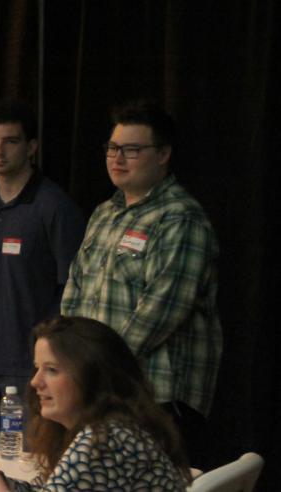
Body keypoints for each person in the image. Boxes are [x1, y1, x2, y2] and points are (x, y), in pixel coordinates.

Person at [60, 100, 221, 463]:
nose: (117, 159)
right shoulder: (105, 213)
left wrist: (96, 366)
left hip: (156, 398)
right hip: (100, 391)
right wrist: (69, 355)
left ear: (163, 154)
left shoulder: (180, 218)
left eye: (132, 150)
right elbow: (75, 290)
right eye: (113, 148)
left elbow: (161, 312)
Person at [0, 316, 191, 491]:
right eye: (37, 368)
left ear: (91, 374)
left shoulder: (103, 439)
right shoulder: (113, 428)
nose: (35, 382)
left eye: (51, 369)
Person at [0, 99, 85, 448]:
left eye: (10, 141)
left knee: (31, 468)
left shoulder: (54, 207)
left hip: (30, 368)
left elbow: (71, 289)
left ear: (31, 147)